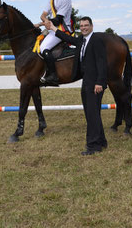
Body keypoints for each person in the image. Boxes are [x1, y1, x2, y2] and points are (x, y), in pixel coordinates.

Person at [45, 17, 107, 155]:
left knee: (92, 115)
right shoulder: (81, 40)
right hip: (86, 82)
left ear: (92, 26)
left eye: (86, 25)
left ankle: (93, 146)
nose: (84, 27)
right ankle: (101, 141)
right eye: (82, 26)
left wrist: (100, 82)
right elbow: (68, 39)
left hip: (95, 84)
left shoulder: (96, 40)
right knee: (93, 114)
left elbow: (102, 63)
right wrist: (54, 28)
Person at [39, 0, 72, 86]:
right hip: (53, 27)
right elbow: (43, 15)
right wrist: (45, 21)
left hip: (63, 29)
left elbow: (58, 20)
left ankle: (53, 75)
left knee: (44, 48)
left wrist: (43, 23)